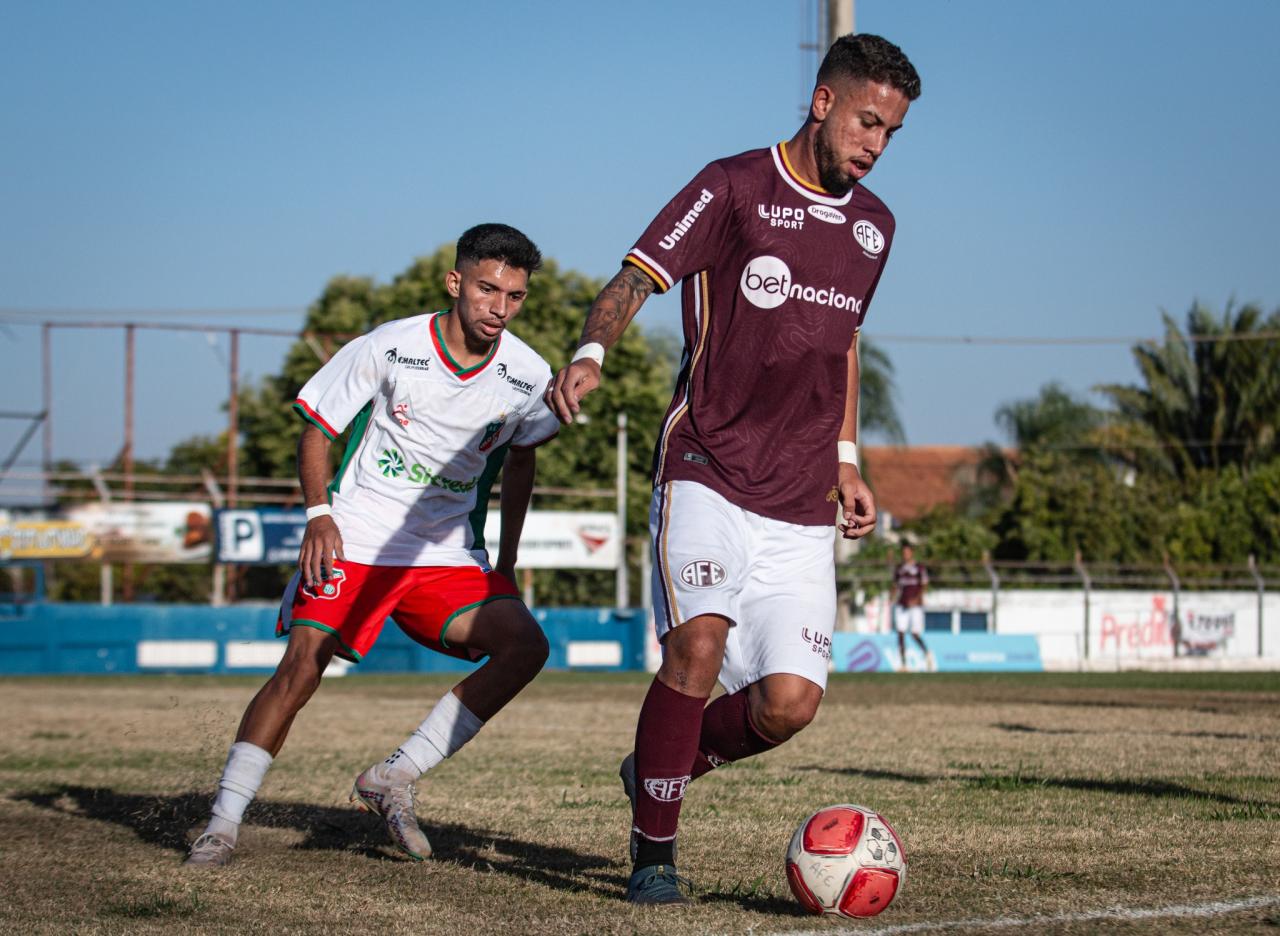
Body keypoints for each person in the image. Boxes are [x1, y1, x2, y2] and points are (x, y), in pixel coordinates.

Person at [546, 34, 921, 904]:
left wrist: (848, 459)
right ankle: (654, 858)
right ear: (822, 102)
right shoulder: (731, 185)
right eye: (867, 121)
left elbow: (843, 345)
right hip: (706, 466)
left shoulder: (876, 228)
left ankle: (656, 767)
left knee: (788, 706)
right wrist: (591, 350)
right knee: (698, 648)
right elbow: (635, 277)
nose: (874, 144)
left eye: (892, 133)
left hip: (800, 499)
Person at [186, 223, 559, 868]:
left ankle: (392, 775)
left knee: (525, 645)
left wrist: (509, 557)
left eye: (515, 296)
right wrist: (318, 514)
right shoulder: (389, 346)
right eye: (487, 289)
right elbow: (316, 428)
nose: (499, 307)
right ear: (456, 282)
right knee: (302, 667)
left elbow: (522, 460)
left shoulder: (529, 374)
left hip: (442, 554)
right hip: (356, 535)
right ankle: (221, 823)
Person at [892, 543, 933, 671]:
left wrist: (917, 599)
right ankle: (904, 664)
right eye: (904, 552)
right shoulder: (899, 568)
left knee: (914, 633)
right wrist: (891, 596)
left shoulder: (919, 568)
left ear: (912, 553)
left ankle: (927, 653)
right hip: (902, 604)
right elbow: (895, 585)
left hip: (916, 606)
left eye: (908, 552)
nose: (905, 555)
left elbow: (924, 584)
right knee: (900, 633)